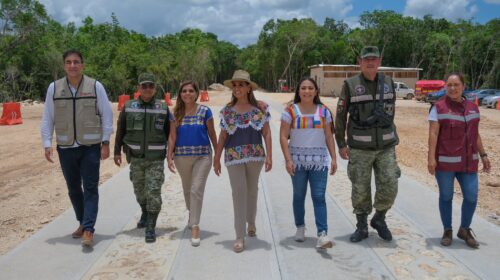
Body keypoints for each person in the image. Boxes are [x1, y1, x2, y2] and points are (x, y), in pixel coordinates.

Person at [40, 49, 113, 247]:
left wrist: (105, 142)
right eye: (69, 62)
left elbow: (107, 115)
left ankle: (89, 229)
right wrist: (47, 143)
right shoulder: (53, 88)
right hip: (65, 148)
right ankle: (82, 222)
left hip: (90, 147)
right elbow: (48, 118)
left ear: (83, 64)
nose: (73, 65)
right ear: (64, 65)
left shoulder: (95, 86)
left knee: (90, 188)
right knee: (73, 189)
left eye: (76, 62)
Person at [335, 46, 400, 243]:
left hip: (386, 147)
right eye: (366, 59)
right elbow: (340, 115)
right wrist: (341, 143)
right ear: (360, 62)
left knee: (390, 184)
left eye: (374, 58)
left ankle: (379, 218)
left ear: (379, 61)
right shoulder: (350, 84)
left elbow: (391, 111)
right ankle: (361, 226)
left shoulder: (388, 82)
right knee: (360, 189)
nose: (370, 62)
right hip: (359, 148)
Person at [427, 73, 491, 248]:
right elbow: (433, 134)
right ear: (445, 87)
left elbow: (475, 134)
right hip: (445, 163)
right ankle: (447, 230)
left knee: (471, 196)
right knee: (446, 196)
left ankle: (464, 229)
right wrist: (431, 158)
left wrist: (483, 155)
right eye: (449, 85)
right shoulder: (438, 108)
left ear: (463, 86)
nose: (453, 88)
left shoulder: (473, 108)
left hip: (468, 162)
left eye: (456, 85)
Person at [213, 70, 272, 253]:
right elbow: (222, 136)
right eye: (235, 85)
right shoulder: (227, 111)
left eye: (241, 85)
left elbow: (267, 133)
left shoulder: (260, 109)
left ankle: (251, 223)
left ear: (248, 88)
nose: (237, 88)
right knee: (238, 193)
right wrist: (216, 158)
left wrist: (270, 155)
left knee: (252, 190)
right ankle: (239, 235)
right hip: (233, 157)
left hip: (255, 155)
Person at [279, 77, 337, 250]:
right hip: (297, 162)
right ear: (298, 91)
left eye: (310, 88)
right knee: (298, 196)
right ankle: (300, 227)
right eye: (303, 88)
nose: (307, 91)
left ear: (316, 91)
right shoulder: (290, 111)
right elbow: (283, 136)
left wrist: (333, 158)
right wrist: (288, 159)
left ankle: (322, 234)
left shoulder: (324, 111)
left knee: (319, 197)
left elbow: (328, 136)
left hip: (319, 162)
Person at [113, 73, 170, 243]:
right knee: (139, 191)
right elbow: (120, 130)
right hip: (136, 158)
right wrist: (116, 152)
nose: (147, 89)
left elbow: (170, 133)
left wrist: (172, 153)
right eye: (144, 86)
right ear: (138, 88)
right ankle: (144, 211)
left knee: (153, 192)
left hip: (155, 159)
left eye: (150, 86)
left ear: (155, 88)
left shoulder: (163, 107)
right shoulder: (129, 106)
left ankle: (151, 226)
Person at [167, 81, 217, 247]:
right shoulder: (175, 114)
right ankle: (192, 214)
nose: (187, 94)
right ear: (180, 94)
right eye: (184, 91)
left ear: (196, 93)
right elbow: (172, 136)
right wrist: (169, 156)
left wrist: (217, 155)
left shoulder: (205, 111)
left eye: (190, 91)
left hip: (203, 157)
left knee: (196, 189)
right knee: (188, 190)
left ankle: (195, 225)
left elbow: (212, 133)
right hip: (181, 157)